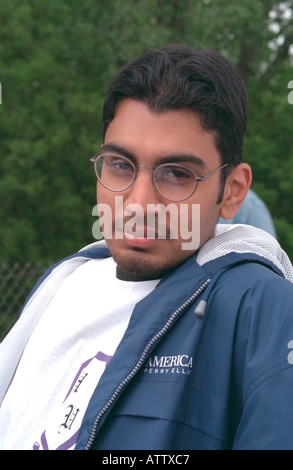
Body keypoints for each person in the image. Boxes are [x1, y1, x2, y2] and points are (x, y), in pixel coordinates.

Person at [1, 44, 293, 451]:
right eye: (120, 165)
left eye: (177, 174)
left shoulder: (263, 308)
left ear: (232, 190)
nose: (138, 203)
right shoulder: (65, 283)